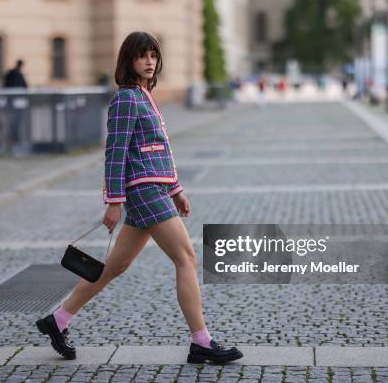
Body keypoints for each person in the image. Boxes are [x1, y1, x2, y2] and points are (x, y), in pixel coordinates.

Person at [35, 31, 243, 364]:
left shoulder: (145, 96)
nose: (149, 61)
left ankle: (58, 320)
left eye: (153, 55)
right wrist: (114, 200)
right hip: (142, 190)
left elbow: (157, 150)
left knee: (116, 266)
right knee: (186, 258)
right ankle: (201, 342)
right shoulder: (126, 98)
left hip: (155, 188)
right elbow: (115, 152)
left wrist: (176, 189)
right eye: (142, 55)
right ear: (128, 60)